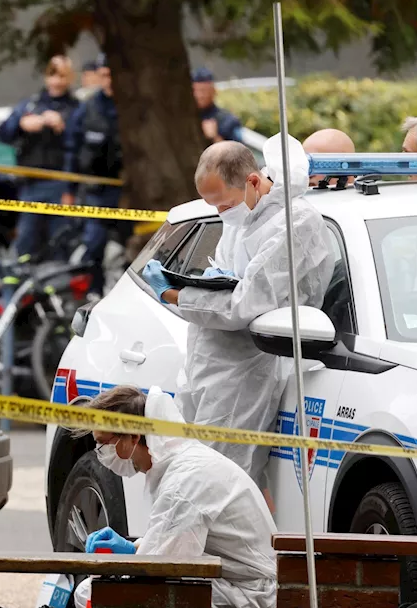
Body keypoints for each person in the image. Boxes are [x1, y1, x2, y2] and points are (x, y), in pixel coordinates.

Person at [143, 137, 335, 490]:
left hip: (247, 369)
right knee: (189, 474)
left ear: (251, 181)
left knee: (218, 484)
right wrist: (205, 282)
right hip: (210, 363)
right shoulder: (242, 218)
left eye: (224, 204)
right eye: (213, 205)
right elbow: (229, 277)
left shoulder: (293, 224)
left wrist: (175, 294)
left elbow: (244, 305)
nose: (221, 213)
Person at [79, 386, 277, 608]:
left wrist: (127, 565)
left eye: (103, 443)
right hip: (244, 591)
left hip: (251, 605)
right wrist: (135, 548)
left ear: (132, 438)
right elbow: (173, 545)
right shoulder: (180, 465)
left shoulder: (184, 481)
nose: (100, 452)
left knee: (92, 595)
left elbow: (162, 569)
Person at [0, 55, 80, 260]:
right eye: (53, 75)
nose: (57, 81)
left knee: (59, 240)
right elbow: (3, 133)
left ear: (70, 78)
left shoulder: (76, 108)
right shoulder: (31, 105)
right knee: (26, 240)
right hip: (30, 184)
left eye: (62, 75)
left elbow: (80, 148)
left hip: (60, 184)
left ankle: (58, 288)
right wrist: (21, 124)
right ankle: (20, 286)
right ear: (46, 77)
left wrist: (63, 126)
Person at [64, 54, 122, 294]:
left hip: (127, 192)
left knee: (127, 249)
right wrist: (68, 190)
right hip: (96, 191)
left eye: (112, 74)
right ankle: (94, 292)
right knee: (94, 245)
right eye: (105, 75)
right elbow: (72, 151)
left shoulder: (131, 108)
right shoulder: (87, 109)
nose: (109, 80)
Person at [192, 67, 243, 145]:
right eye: (195, 90)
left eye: (203, 90)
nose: (199, 95)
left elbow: (239, 154)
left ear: (214, 91)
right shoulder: (182, 118)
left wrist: (215, 137)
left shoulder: (228, 121)